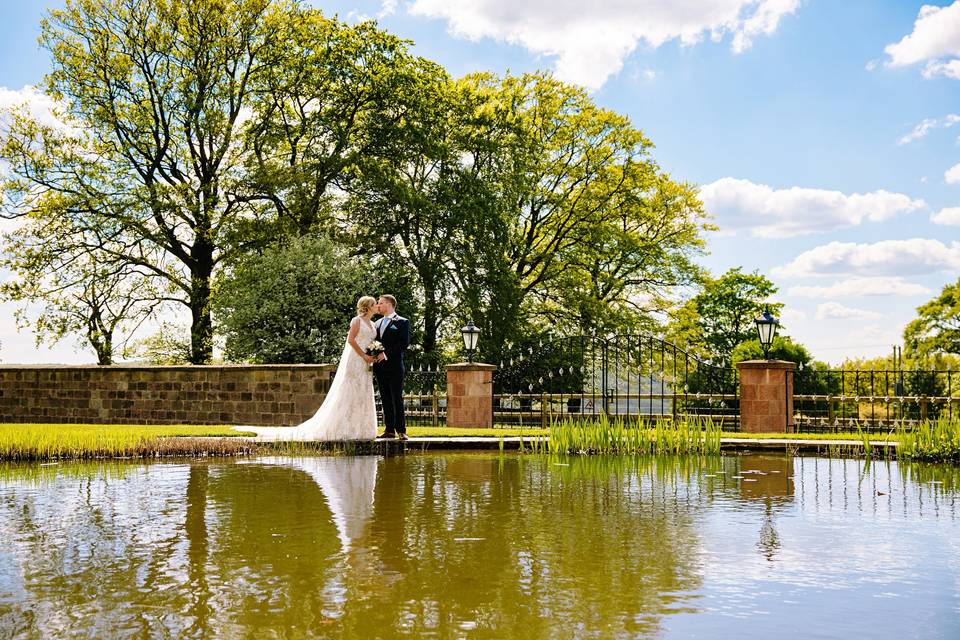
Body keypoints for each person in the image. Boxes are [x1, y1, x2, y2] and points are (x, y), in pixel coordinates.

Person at [238, 296, 380, 441]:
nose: (377, 306)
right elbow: (350, 340)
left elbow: (371, 342)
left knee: (363, 391)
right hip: (356, 359)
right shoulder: (357, 321)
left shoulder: (373, 324)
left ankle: (362, 429)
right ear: (368, 306)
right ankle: (343, 428)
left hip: (366, 362)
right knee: (350, 391)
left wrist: (373, 354)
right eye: (375, 304)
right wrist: (363, 355)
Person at [372, 294, 411, 440]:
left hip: (395, 367)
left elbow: (403, 343)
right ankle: (389, 430)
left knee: (396, 398)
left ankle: (401, 430)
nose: (378, 306)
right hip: (380, 368)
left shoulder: (402, 322)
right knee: (385, 398)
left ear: (388, 304)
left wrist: (386, 354)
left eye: (380, 303)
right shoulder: (376, 323)